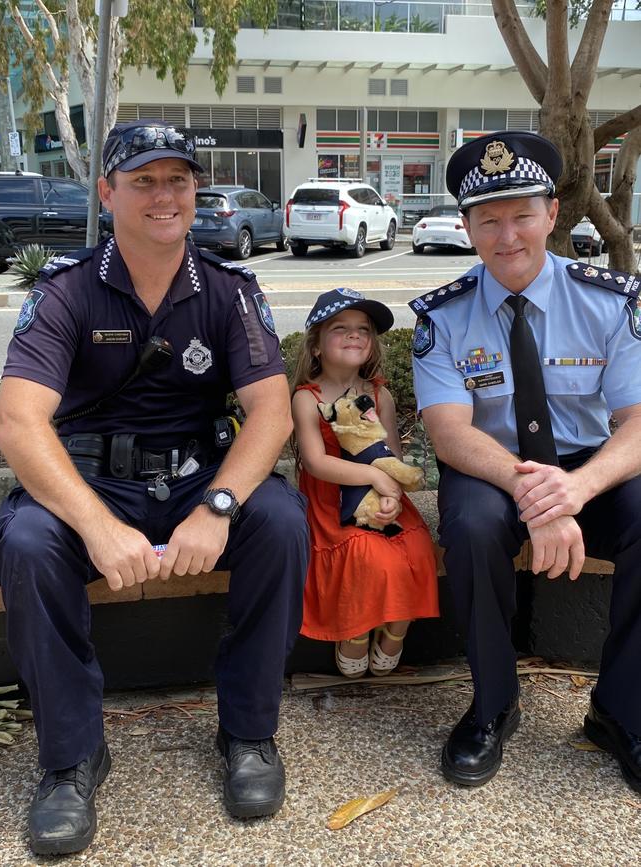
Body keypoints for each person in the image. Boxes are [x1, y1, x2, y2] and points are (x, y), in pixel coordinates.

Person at [0, 120, 310, 855]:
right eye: (143, 181)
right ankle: (70, 758)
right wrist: (98, 526)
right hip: (92, 481)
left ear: (198, 190)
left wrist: (219, 506)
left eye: (178, 179)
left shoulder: (229, 291)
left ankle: (250, 732)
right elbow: (16, 422)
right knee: (32, 541)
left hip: (198, 478)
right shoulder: (67, 290)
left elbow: (269, 410)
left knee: (282, 523)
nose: (163, 195)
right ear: (108, 193)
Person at [409, 130, 641, 793]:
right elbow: (450, 434)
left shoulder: (607, 298)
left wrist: (577, 488)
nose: (507, 235)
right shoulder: (444, 316)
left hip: (588, 466)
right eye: (489, 220)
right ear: (467, 226)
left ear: (552, 213)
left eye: (522, 215)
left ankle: (622, 709)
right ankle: (493, 705)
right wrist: (534, 491)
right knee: (475, 526)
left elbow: (636, 423)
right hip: (492, 467)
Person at [291, 289, 439, 678]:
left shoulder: (379, 395)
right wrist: (374, 476)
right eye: (340, 328)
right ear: (317, 346)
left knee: (418, 550)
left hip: (381, 496)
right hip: (330, 502)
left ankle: (394, 632)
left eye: (363, 330)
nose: (354, 335)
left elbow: (392, 457)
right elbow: (315, 462)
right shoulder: (307, 399)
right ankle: (354, 633)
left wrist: (389, 493)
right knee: (366, 557)